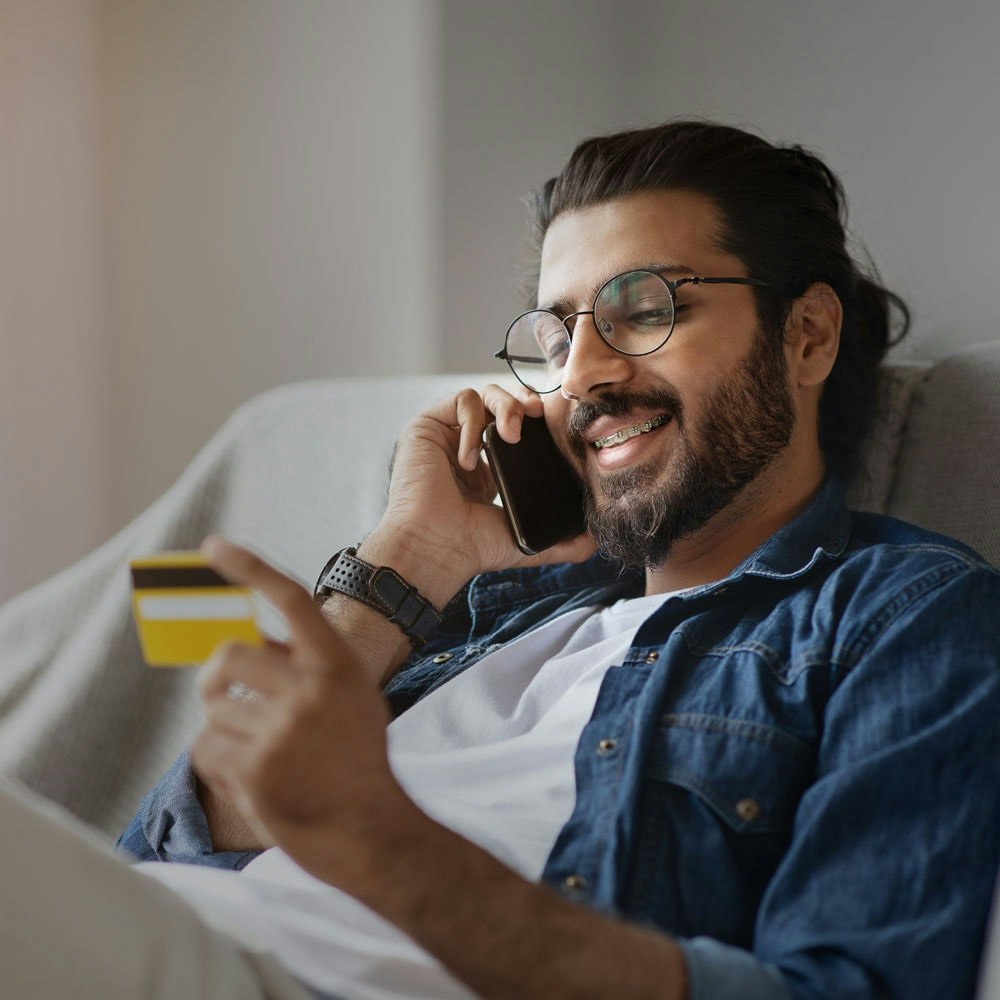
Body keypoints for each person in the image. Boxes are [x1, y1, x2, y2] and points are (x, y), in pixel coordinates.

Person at [4, 119, 998, 999]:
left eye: (643, 309)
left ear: (808, 335)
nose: (585, 375)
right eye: (557, 334)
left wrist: (379, 843)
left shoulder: (902, 613)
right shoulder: (487, 611)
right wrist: (410, 559)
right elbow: (165, 850)